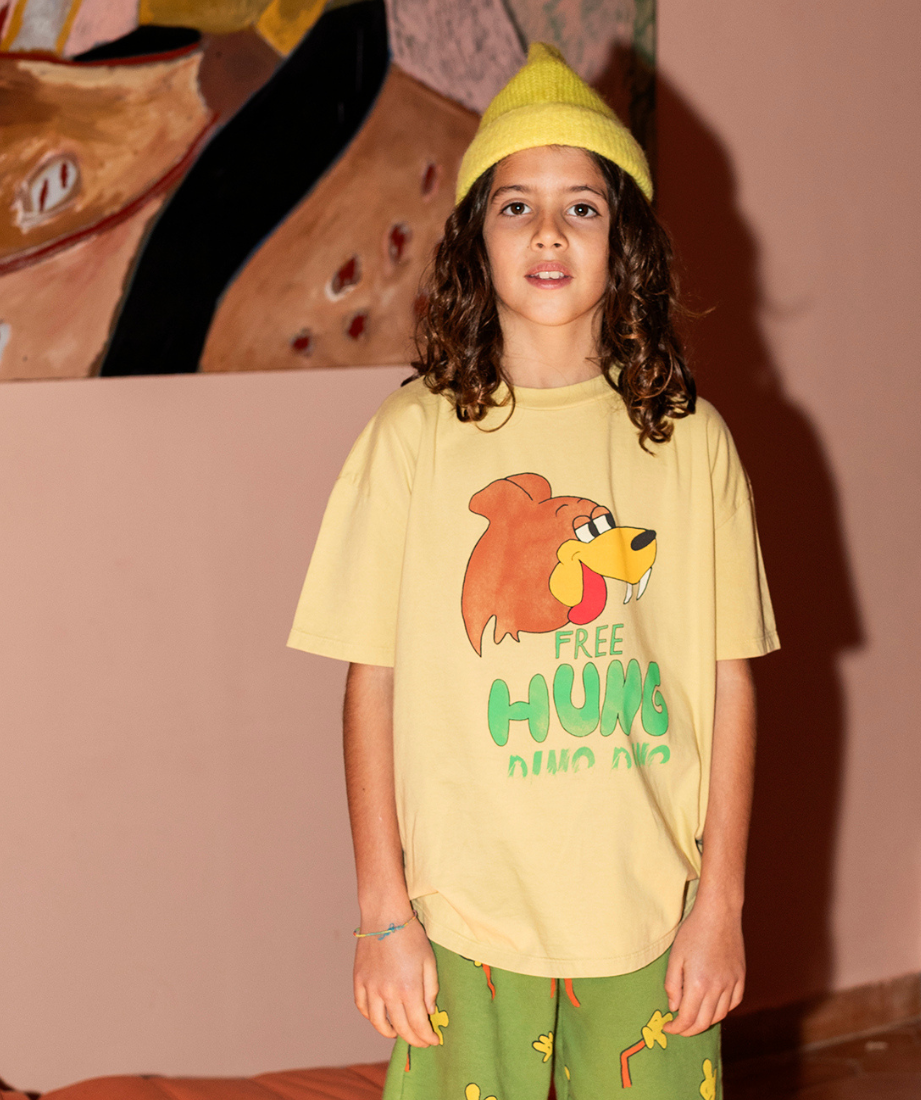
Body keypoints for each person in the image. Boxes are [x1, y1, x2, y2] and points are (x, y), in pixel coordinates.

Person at [288, 42, 778, 1100]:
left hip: (650, 914)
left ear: (624, 242)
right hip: (462, 918)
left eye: (581, 207)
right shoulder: (410, 441)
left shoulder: (692, 444)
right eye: (517, 206)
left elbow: (730, 681)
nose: (549, 231)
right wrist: (383, 914)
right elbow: (371, 681)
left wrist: (721, 905)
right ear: (475, 239)